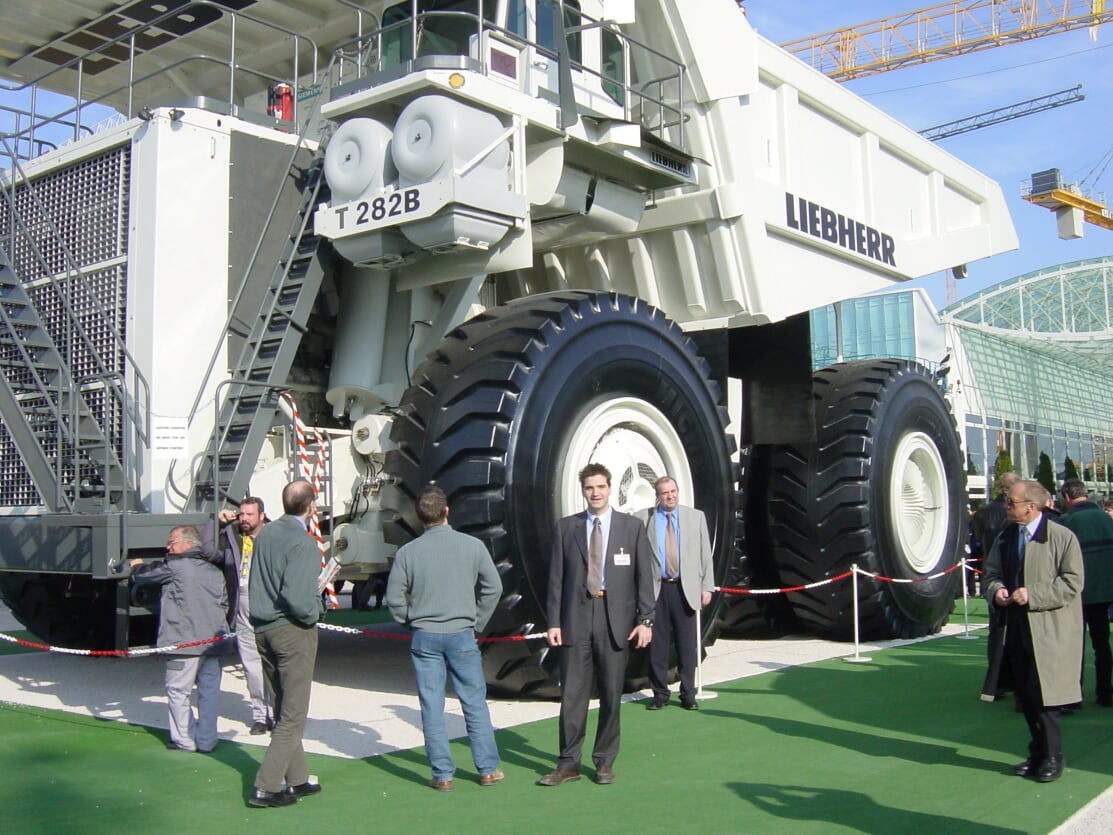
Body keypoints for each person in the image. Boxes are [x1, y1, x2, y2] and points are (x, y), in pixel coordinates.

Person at [539, 463, 656, 787]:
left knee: (610, 694)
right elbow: (556, 581)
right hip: (576, 620)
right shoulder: (567, 528)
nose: (595, 493)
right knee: (572, 696)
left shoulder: (631, 528)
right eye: (590, 488)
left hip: (615, 620)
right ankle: (568, 763)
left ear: (610, 487)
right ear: (583, 491)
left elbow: (644, 578)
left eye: (600, 487)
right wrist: (553, 622)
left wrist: (646, 620)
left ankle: (604, 761)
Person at [385, 485, 504, 791]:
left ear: (420, 516)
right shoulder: (472, 546)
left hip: (425, 635)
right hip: (462, 633)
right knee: (474, 702)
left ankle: (442, 774)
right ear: (447, 510)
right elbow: (494, 587)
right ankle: (487, 769)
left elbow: (394, 598)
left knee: (431, 706)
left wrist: (410, 620)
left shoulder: (407, 552)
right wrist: (477, 621)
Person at [982, 479, 1084, 783]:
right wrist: (997, 590)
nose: (1005, 506)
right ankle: (1037, 753)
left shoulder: (1062, 537)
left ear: (1031, 506)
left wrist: (1033, 595)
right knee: (1025, 696)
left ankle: (1053, 756)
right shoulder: (1005, 537)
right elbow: (991, 575)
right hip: (1014, 628)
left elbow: (1072, 583)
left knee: (1046, 698)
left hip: (1049, 631)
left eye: (1011, 502)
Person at [247, 479, 325, 808]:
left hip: (262, 627)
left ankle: (298, 778)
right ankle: (266, 786)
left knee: (282, 707)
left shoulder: (266, 535)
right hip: (291, 629)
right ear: (310, 506)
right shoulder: (303, 543)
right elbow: (298, 598)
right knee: (293, 714)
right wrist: (315, 610)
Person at [129, 525, 230, 753]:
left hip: (184, 644)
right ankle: (207, 740)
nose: (168, 547)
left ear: (187, 544)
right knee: (209, 694)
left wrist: (136, 566)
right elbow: (224, 604)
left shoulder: (175, 567)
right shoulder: (214, 571)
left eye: (172, 542)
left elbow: (145, 575)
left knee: (178, 692)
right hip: (214, 644)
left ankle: (185, 739)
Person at [643, 476, 714, 711]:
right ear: (658, 495)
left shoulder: (696, 517)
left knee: (687, 645)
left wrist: (707, 587)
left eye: (673, 491)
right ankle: (660, 694)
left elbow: (705, 554)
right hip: (658, 589)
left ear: (678, 492)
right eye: (665, 493)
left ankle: (688, 694)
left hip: (686, 589)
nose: (670, 496)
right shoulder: (644, 519)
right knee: (658, 645)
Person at [204, 497, 273, 734]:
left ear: (262, 516)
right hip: (242, 607)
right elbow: (208, 552)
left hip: (271, 608)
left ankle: (279, 712)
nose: (243, 519)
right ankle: (260, 715)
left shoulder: (273, 537)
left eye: (249, 515)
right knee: (251, 665)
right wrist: (216, 522)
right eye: (241, 514)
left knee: (274, 664)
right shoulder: (232, 537)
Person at [1057, 478, 1113, 707]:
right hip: (1104, 591)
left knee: (1074, 646)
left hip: (1076, 593)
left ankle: (1073, 695)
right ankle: (1105, 692)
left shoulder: (1067, 521)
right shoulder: (1106, 519)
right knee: (1102, 645)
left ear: (1067, 497)